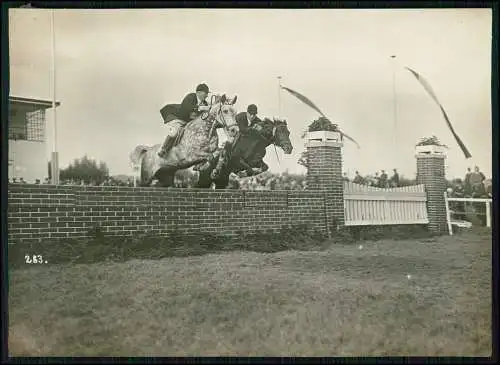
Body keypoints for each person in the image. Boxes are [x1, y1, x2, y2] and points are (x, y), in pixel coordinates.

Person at [158, 83, 211, 158]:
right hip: (178, 118)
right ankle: (163, 149)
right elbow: (186, 108)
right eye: (205, 93)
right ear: (198, 92)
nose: (207, 96)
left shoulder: (205, 103)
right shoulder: (191, 96)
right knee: (174, 132)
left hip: (189, 123)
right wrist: (201, 108)